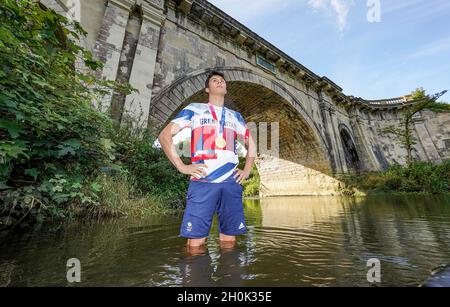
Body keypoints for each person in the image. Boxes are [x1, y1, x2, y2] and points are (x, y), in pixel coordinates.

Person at [158, 70, 256, 247]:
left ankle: (229, 274)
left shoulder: (235, 116)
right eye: (214, 80)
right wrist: (181, 166)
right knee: (195, 242)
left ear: (225, 89)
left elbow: (252, 144)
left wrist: (247, 169)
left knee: (229, 239)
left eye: (222, 81)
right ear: (206, 89)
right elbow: (165, 135)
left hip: (230, 181)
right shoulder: (194, 109)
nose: (219, 82)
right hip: (203, 180)